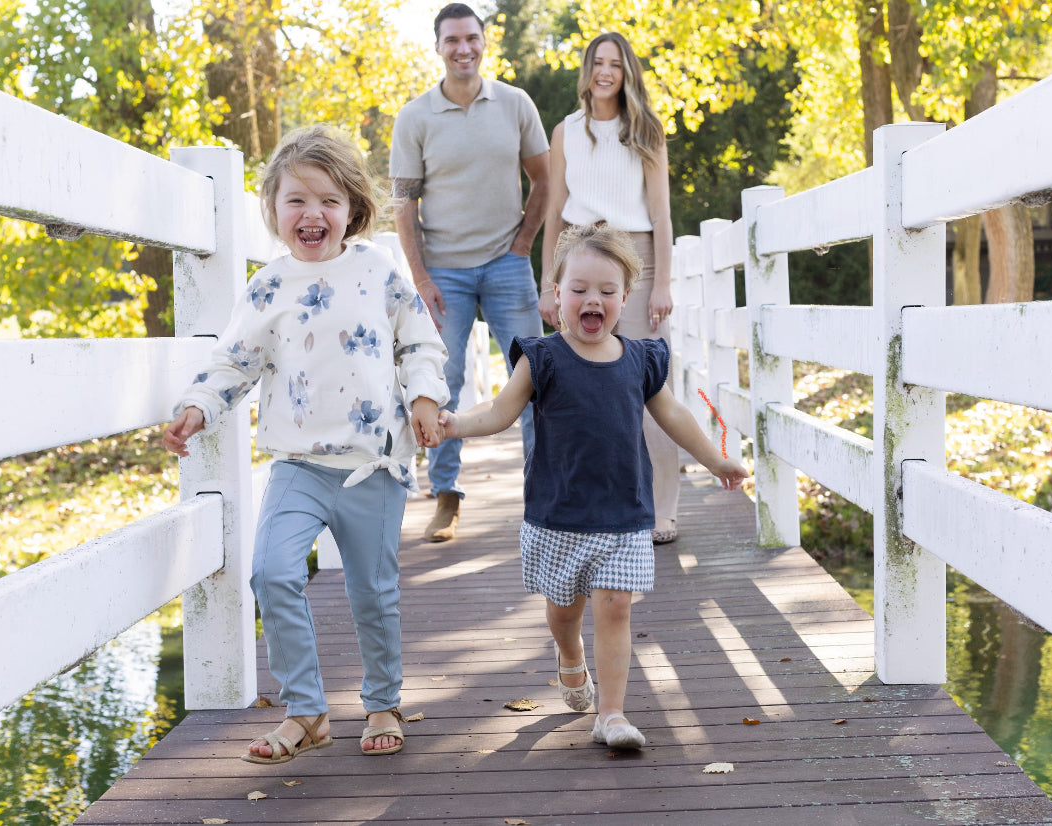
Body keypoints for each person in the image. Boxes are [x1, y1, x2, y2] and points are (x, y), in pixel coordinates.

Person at [163, 124, 449, 763]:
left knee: (373, 591)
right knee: (272, 571)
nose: (312, 213)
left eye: (328, 200)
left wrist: (425, 398)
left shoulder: (378, 271)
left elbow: (419, 343)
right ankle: (306, 710)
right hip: (298, 465)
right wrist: (199, 405)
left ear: (352, 209)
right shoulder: (269, 285)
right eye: (296, 199)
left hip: (373, 465)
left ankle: (382, 702)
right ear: (273, 208)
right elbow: (235, 360)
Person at [439, 225, 748, 749]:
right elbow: (498, 410)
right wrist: (455, 424)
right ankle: (569, 654)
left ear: (624, 298)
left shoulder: (640, 359)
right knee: (564, 612)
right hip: (558, 512)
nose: (593, 300)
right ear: (557, 293)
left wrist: (715, 459)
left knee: (615, 606)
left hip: (624, 513)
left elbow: (674, 415)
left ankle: (611, 713)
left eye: (607, 290)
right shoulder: (541, 358)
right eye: (579, 288)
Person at [389, 2, 550, 543]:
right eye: (452, 40)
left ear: (484, 41)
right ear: (438, 47)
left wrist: (523, 244)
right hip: (444, 274)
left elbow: (545, 180)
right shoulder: (415, 117)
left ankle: (543, 494)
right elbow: (403, 206)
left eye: (471, 38)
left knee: (536, 377)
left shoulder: (515, 103)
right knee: (441, 382)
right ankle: (446, 496)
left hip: (507, 266)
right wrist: (422, 278)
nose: (463, 49)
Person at [540, 32, 682, 545]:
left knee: (651, 383)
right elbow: (555, 211)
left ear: (627, 74)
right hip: (581, 255)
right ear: (587, 69)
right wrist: (549, 283)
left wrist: (661, 282)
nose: (605, 72)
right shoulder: (566, 132)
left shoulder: (645, 130)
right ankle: (599, 505)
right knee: (584, 384)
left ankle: (663, 509)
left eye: (615, 65)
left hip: (636, 257)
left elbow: (661, 214)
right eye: (598, 62)